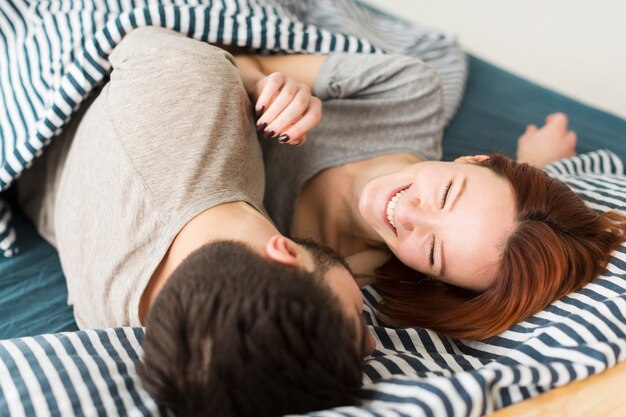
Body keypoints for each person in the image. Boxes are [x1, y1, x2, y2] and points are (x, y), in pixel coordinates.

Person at [14, 27, 374, 416]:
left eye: (356, 326)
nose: (372, 343)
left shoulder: (199, 95)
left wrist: (252, 81)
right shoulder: (108, 319)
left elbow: (138, 35)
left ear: (284, 250)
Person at [232, 51, 626, 340]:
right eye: (447, 193)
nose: (407, 215)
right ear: (475, 159)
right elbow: (239, 55)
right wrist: (264, 85)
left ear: (428, 275)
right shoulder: (407, 94)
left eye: (434, 252)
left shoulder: (326, 275)